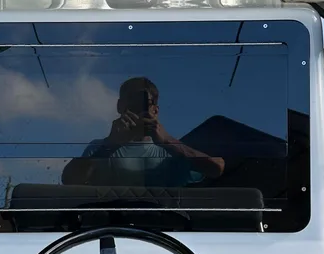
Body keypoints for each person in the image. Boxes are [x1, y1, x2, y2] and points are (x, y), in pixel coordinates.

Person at [61, 77, 225, 187]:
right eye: (132, 105)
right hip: (113, 227)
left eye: (144, 105)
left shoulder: (174, 150)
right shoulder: (99, 148)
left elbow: (217, 168)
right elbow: (69, 181)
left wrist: (167, 141)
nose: (138, 111)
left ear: (155, 110)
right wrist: (111, 144)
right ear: (120, 107)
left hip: (167, 231)